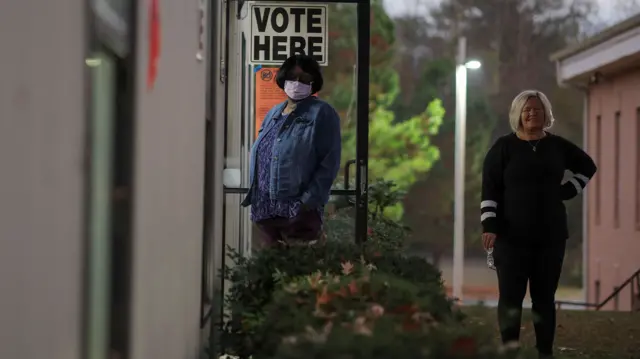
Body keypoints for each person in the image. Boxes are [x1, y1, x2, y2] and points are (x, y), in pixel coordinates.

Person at [480, 90, 597, 358]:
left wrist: (568, 190)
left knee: (544, 299)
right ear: (518, 115)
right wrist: (490, 225)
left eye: (537, 109)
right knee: (510, 299)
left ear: (546, 113)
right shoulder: (503, 148)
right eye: (527, 110)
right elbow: (490, 189)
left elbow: (588, 166)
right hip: (510, 239)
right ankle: (510, 349)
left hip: (551, 238)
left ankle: (545, 352)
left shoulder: (558, 146)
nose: (532, 113)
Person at [242, 54, 341, 246]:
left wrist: (306, 203)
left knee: (297, 271)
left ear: (313, 82)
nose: (297, 83)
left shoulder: (322, 113)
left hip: (298, 216)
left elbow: (329, 163)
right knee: (267, 273)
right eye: (292, 78)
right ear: (283, 79)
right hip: (265, 213)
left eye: (304, 79)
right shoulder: (274, 113)